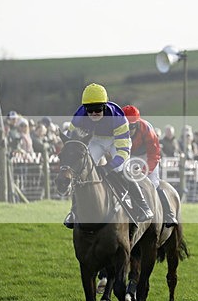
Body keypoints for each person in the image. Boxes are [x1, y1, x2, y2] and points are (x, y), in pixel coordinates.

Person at [63, 82, 153, 228]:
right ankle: (74, 211)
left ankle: (142, 206)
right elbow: (70, 141)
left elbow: (123, 153)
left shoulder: (118, 118)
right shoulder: (79, 116)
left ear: (104, 107)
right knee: (82, 170)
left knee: (121, 169)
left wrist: (108, 167)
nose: (93, 114)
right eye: (89, 110)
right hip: (95, 140)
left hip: (115, 140)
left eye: (97, 109)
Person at [122, 105, 177, 227]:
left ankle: (169, 214)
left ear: (138, 123)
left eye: (132, 126)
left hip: (146, 156)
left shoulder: (146, 129)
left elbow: (154, 154)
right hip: (127, 155)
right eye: (126, 126)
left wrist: (144, 171)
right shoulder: (117, 128)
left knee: (153, 183)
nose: (129, 130)